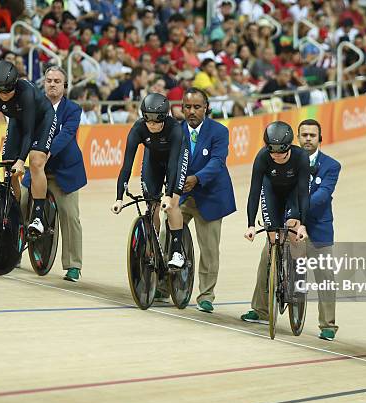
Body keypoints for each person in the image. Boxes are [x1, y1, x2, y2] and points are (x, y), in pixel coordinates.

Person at [241, 119, 342, 340]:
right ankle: (261, 309)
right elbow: (262, 191)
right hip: (287, 219)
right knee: (267, 257)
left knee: (324, 273)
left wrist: (296, 215)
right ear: (296, 138)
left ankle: (328, 325)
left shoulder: (331, 165)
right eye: (303, 135)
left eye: (312, 135)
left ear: (320, 138)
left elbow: (322, 194)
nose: (307, 138)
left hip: (317, 225)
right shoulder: (280, 156)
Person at [0, 60, 56, 236]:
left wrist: (22, 160)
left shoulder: (26, 92)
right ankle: (18, 213)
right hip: (17, 121)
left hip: (42, 119)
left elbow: (29, 133)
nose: (4, 95)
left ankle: (38, 217)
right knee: (9, 166)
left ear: (15, 83)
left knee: (36, 161)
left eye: (8, 90)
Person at [21, 66, 87, 282]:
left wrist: (44, 152)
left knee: (70, 215)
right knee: (20, 201)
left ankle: (73, 265)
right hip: (37, 168)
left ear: (64, 86)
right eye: (49, 80)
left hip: (63, 171)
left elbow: (66, 135)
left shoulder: (73, 109)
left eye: (57, 81)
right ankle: (16, 248)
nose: (52, 84)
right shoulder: (34, 107)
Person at [173, 87, 236, 312]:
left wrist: (197, 178)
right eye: (187, 107)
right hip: (182, 195)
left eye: (197, 107)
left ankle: (206, 295)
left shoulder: (219, 131)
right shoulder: (176, 131)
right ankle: (163, 284)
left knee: (209, 250)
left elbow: (217, 162)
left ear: (206, 108)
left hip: (210, 195)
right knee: (165, 236)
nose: (192, 111)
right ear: (181, 108)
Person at [241, 121, 309, 324]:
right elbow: (254, 192)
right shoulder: (262, 157)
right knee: (272, 240)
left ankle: (296, 276)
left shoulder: (301, 157)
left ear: (289, 147)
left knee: (292, 232)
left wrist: (303, 224)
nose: (277, 156)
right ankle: (274, 277)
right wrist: (251, 224)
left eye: (282, 152)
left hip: (293, 196)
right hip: (271, 194)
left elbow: (304, 193)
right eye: (273, 152)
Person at [111, 93, 189, 268]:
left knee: (172, 204)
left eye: (156, 121)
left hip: (175, 159)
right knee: (151, 205)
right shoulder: (138, 128)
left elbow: (173, 165)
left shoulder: (174, 128)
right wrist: (119, 197)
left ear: (165, 117)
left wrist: (169, 194)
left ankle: (177, 252)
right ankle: (154, 249)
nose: (152, 125)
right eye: (149, 120)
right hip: (153, 158)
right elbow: (126, 166)